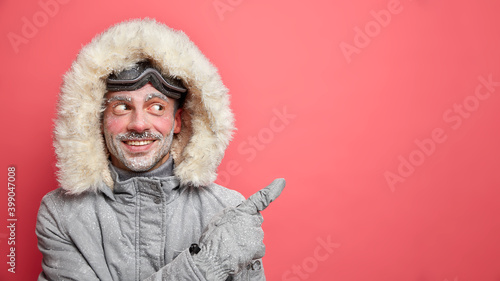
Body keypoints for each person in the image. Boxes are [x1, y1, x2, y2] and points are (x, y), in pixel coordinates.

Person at [36, 19, 285, 281]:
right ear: (97, 120)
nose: (139, 124)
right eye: (121, 107)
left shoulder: (226, 210)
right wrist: (207, 265)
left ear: (178, 122)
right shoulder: (62, 214)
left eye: (157, 107)